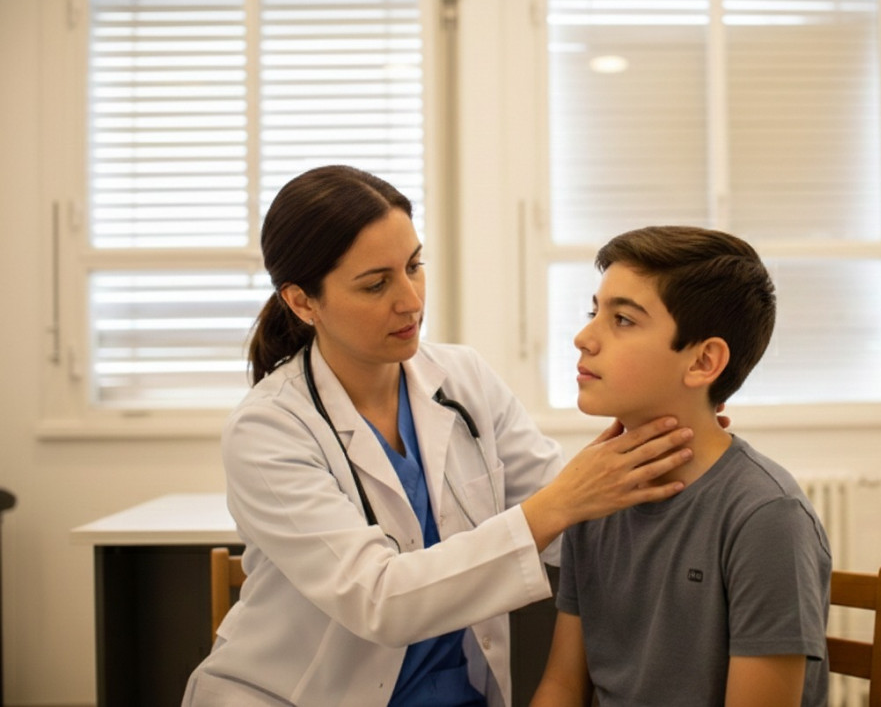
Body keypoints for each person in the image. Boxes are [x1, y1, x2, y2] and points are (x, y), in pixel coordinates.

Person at [182, 166, 699, 706]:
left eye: (414, 266)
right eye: (376, 284)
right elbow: (378, 600)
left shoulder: (463, 380)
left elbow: (579, 537)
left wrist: (686, 471)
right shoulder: (269, 429)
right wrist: (559, 504)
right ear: (302, 302)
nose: (410, 300)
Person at [530, 226, 832, 707]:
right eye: (594, 312)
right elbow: (562, 685)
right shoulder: (592, 498)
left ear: (703, 361)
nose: (584, 338)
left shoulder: (767, 517)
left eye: (623, 320)